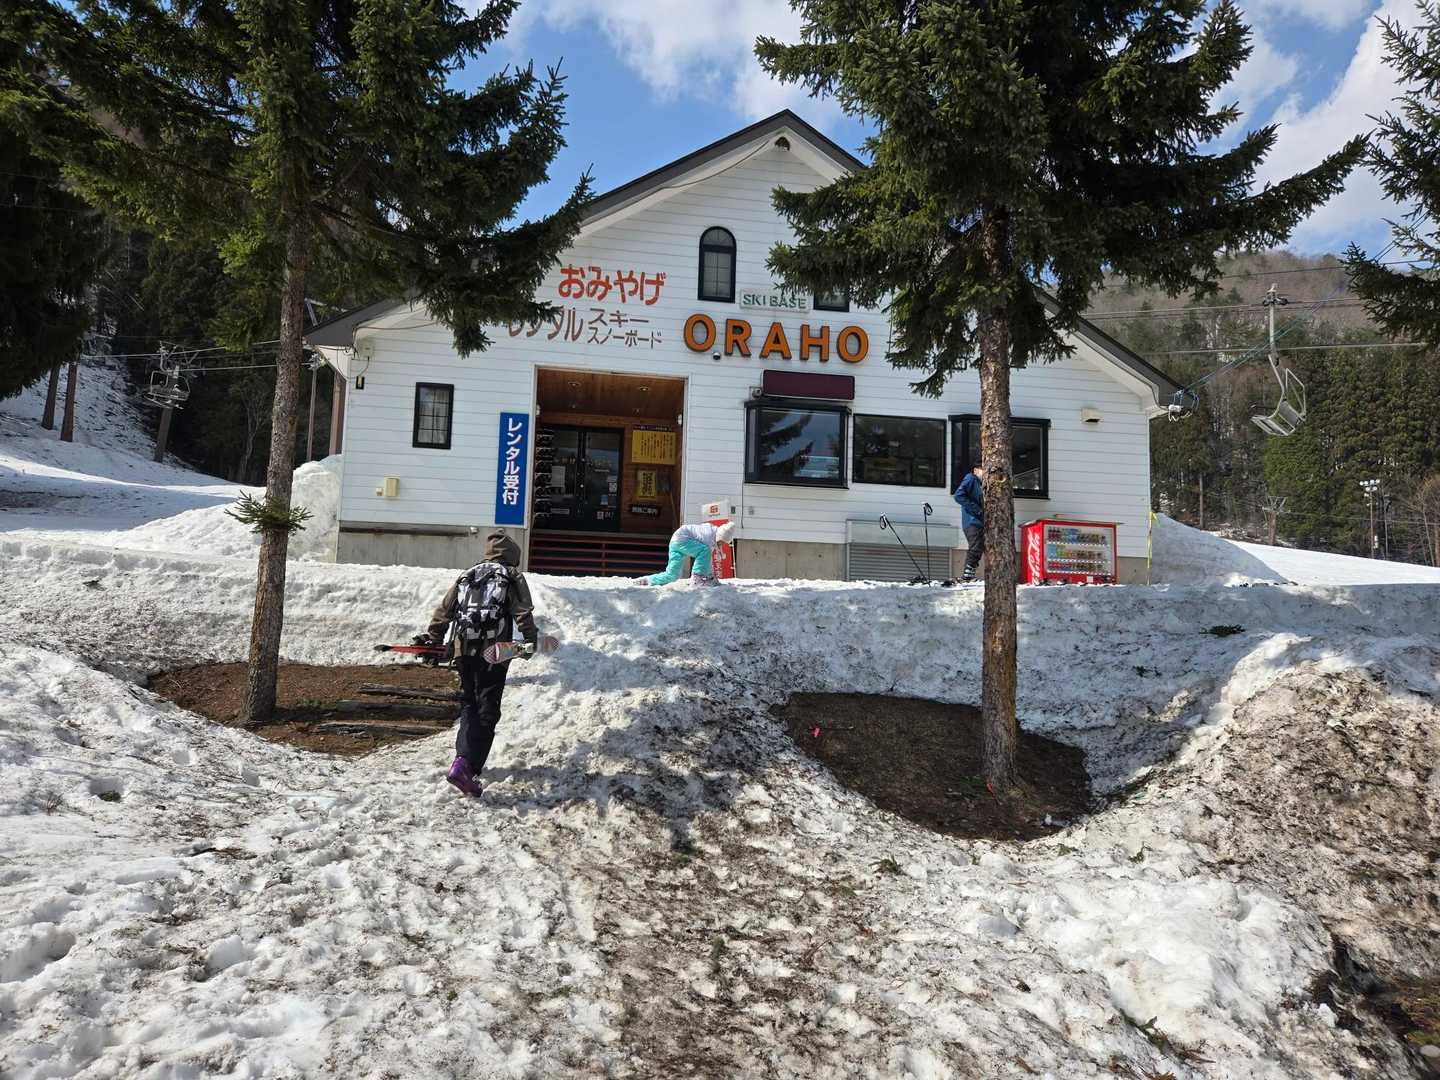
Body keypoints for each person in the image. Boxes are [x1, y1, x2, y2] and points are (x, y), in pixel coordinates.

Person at [417, 530, 538, 797]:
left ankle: (462, 759)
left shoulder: (468, 574)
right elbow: (522, 611)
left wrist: (434, 636)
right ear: (512, 556)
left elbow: (444, 609)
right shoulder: (510, 575)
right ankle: (468, 768)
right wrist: (531, 640)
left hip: (463, 650)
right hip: (495, 651)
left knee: (469, 703)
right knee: (487, 707)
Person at [642, 520, 737, 586]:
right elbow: (706, 558)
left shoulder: (714, 535)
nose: (722, 544)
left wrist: (711, 576)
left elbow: (706, 560)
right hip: (682, 539)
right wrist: (710, 576)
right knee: (705, 551)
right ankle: (697, 578)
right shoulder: (708, 535)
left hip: (675, 542)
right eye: (722, 542)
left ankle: (647, 581)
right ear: (720, 537)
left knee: (672, 575)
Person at [954, 464, 986, 582]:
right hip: (972, 521)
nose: (986, 472)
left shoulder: (981, 483)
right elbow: (958, 496)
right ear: (975, 470)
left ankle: (969, 575)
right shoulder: (971, 478)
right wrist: (977, 510)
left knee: (978, 547)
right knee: (975, 547)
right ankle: (967, 576)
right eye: (983, 469)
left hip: (979, 521)